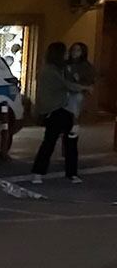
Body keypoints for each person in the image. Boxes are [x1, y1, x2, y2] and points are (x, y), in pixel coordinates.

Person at [29, 42, 87, 184]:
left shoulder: (52, 69)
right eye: (65, 52)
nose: (68, 54)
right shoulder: (51, 71)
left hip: (56, 110)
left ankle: (40, 173)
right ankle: (69, 173)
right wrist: (84, 87)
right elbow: (67, 86)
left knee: (53, 141)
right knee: (65, 140)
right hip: (57, 110)